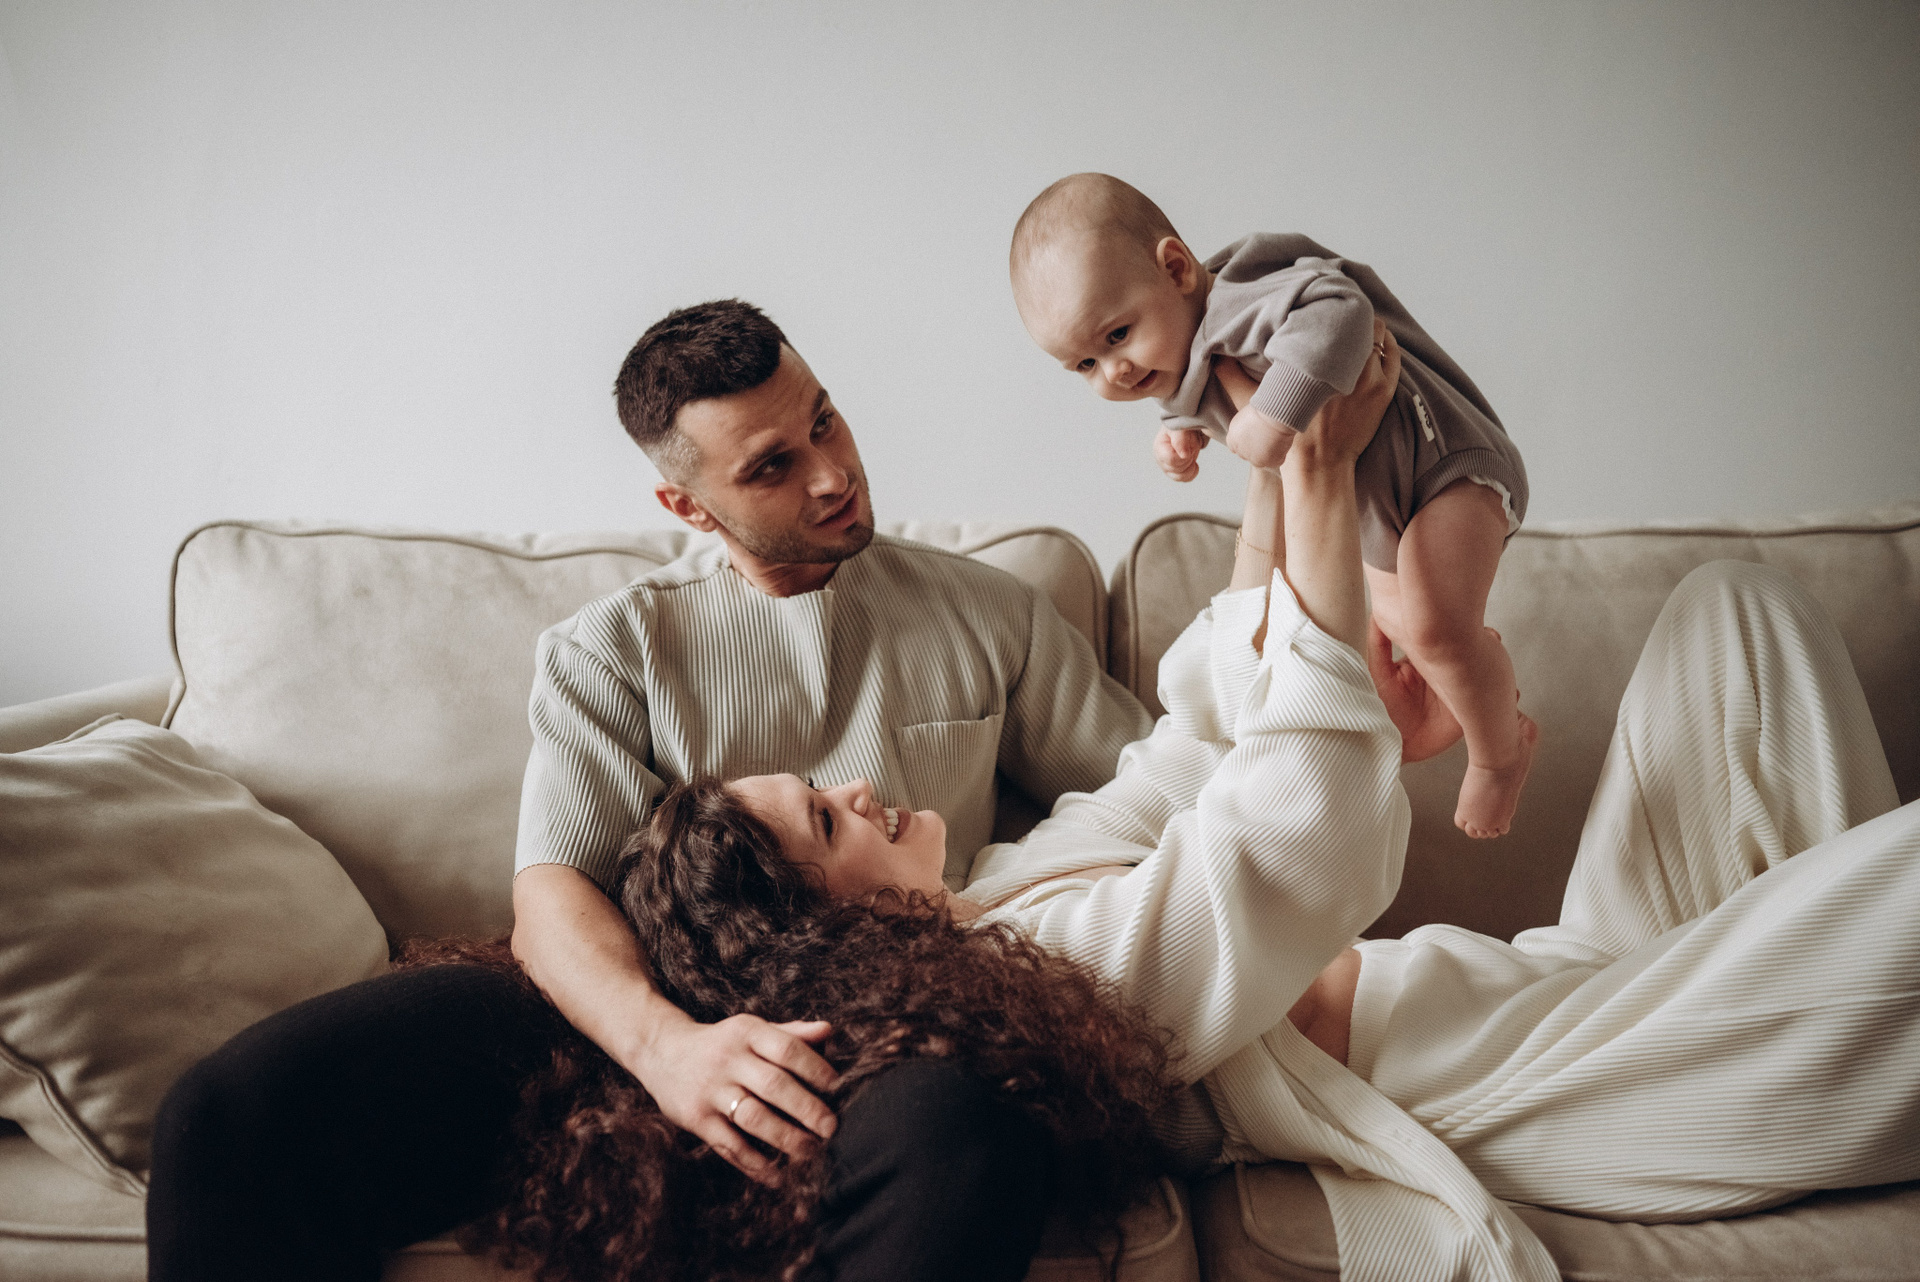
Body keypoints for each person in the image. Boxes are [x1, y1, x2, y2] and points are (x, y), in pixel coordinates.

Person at [670, 332, 1920, 1281]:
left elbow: (1194, 749)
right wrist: (1324, 477)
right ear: (833, 938)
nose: (857, 784)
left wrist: (1264, 459)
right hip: (1525, 1078)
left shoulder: (1003, 889)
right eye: (825, 820)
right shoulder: (1029, 1001)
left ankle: (1815, 1013)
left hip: (1568, 976)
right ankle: (1815, 1010)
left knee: (1738, 618)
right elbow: (1282, 838)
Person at [145, 299, 1155, 1282]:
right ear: (688, 506)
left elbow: (1162, 798)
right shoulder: (610, 650)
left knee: (962, 1138)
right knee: (232, 1114)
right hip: (629, 1019)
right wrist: (670, 1050)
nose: (832, 474)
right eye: (772, 466)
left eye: (824, 421)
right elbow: (553, 899)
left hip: (883, 1028)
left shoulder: (991, 613)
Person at [1010, 172, 1535, 838]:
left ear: (1176, 269)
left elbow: (1341, 313)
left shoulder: (1238, 301)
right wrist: (1181, 436)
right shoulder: (1177, 356)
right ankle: (1473, 676)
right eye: (1084, 366)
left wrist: (1273, 414)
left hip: (1447, 466)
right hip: (1381, 512)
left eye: (1116, 336)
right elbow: (1205, 399)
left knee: (1432, 628)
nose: (1113, 372)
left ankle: (1499, 756)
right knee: (1405, 647)